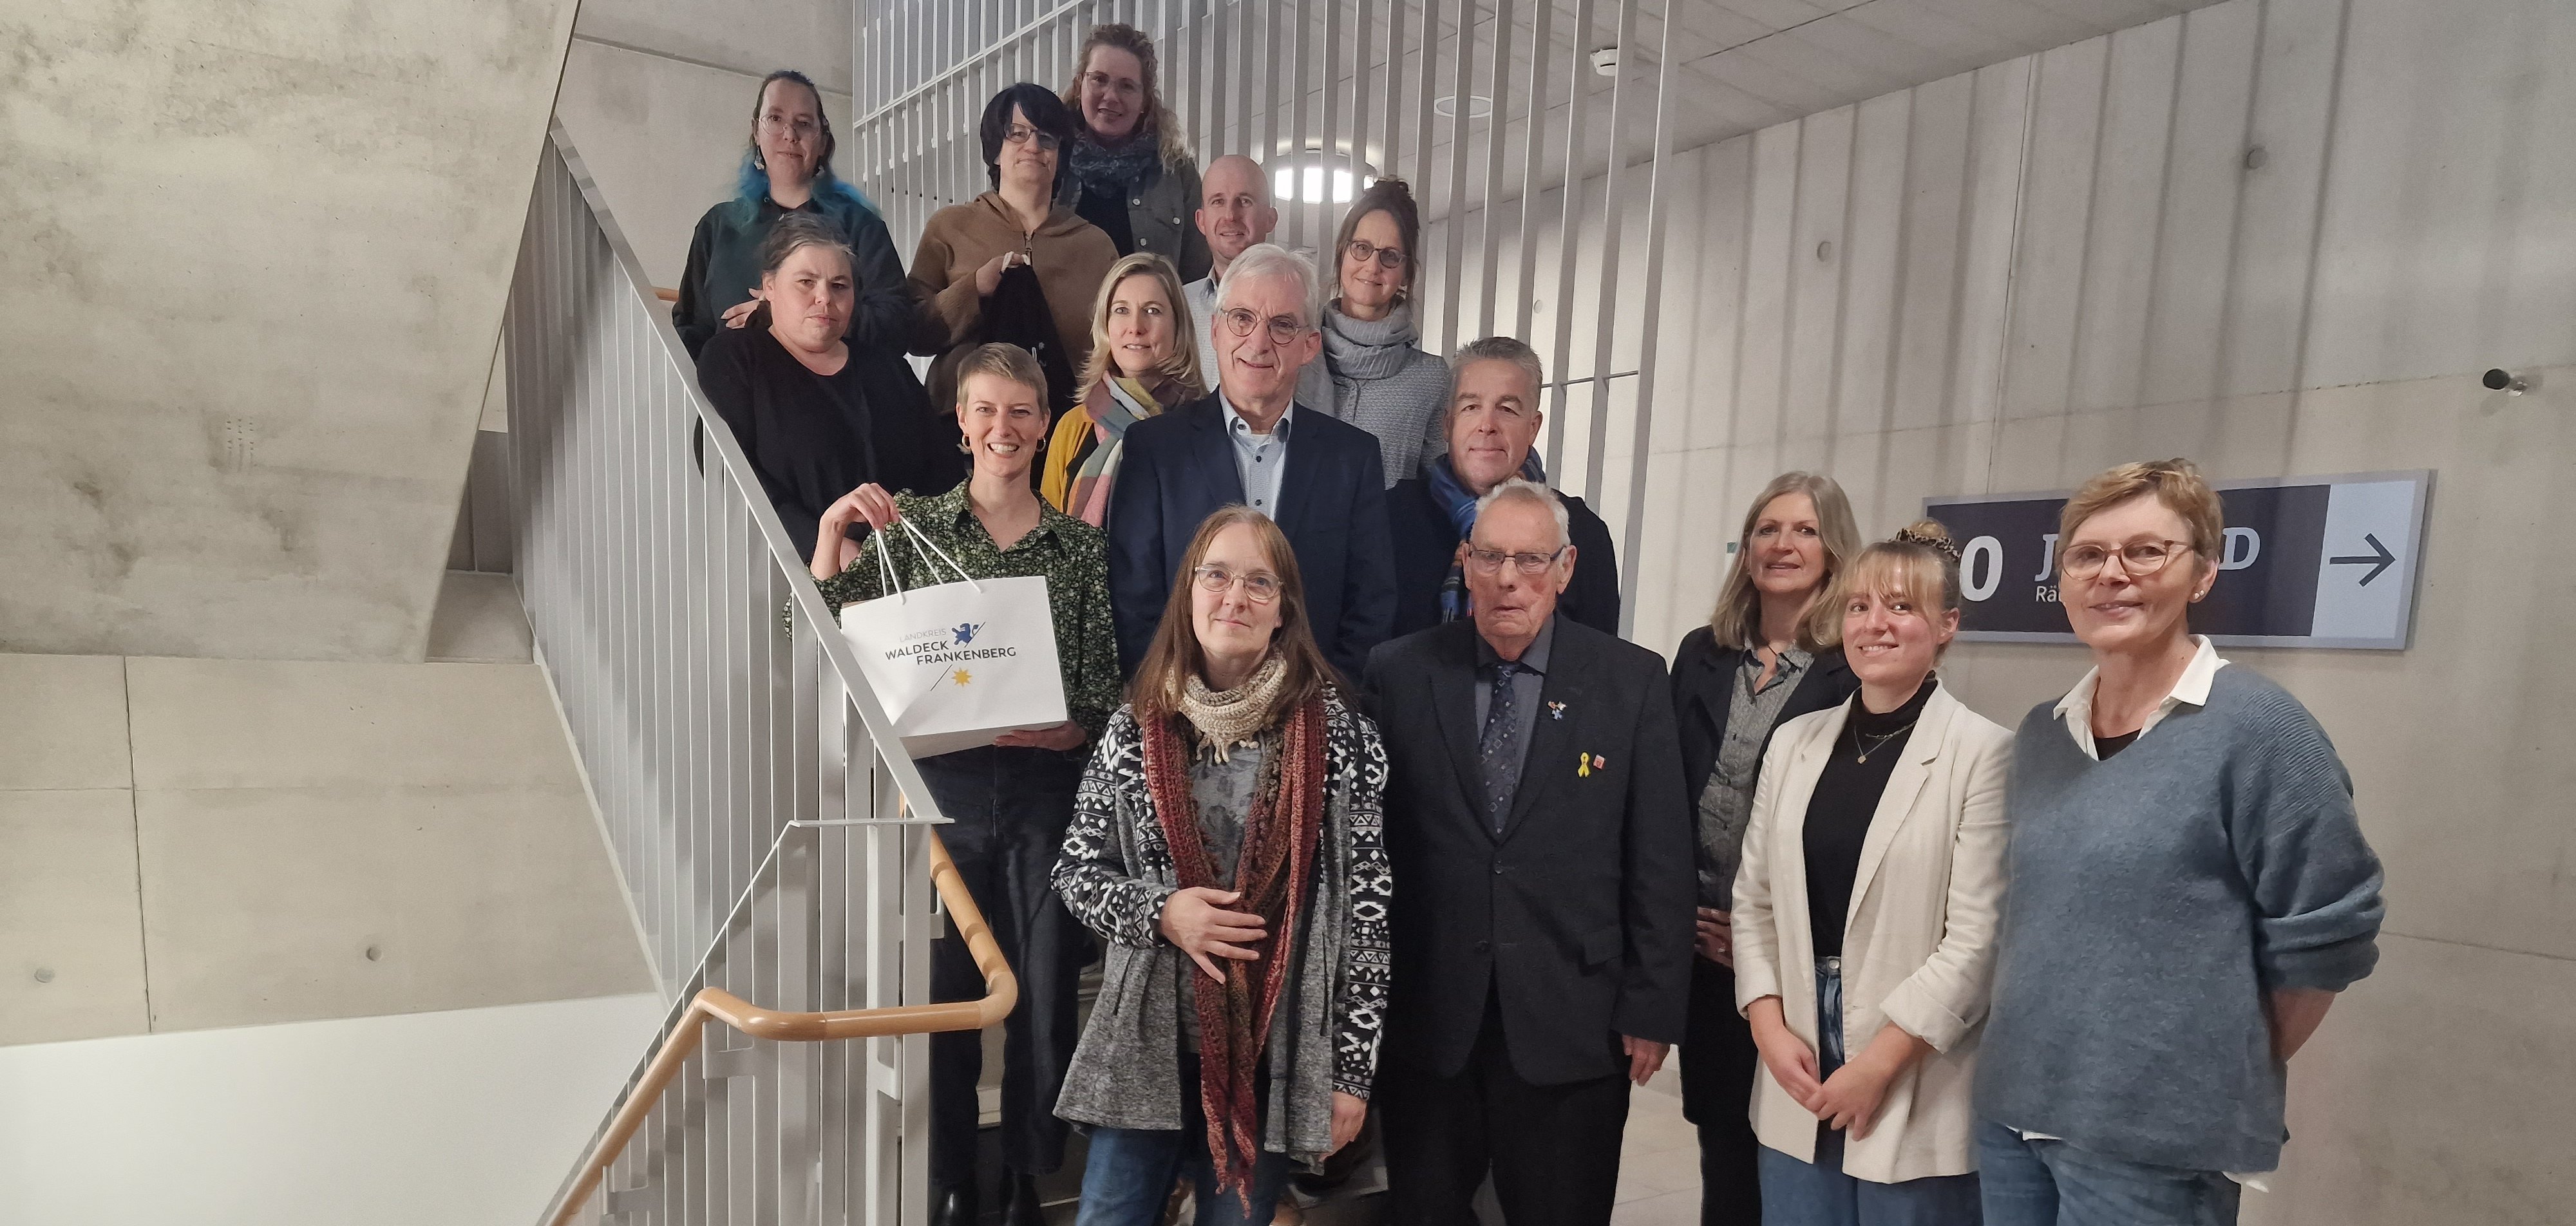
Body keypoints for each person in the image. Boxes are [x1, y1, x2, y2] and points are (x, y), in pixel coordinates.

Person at [1975, 460, 2385, 1226]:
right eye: (2088, 555)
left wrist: (2199, 1076)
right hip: (2013, 1113)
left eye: (2146, 551)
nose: (2112, 575)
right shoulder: (2042, 732)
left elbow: (2330, 937)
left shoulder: (2260, 730)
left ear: (2201, 573)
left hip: (2152, 1147)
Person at [804, 343, 1119, 1226]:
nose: (1003, 429)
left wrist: (1064, 725)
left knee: (1046, 993)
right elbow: (825, 636)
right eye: (986, 409)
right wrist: (832, 537)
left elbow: (1099, 690)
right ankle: (948, 1177)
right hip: (936, 791)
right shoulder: (910, 530)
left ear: (1044, 422)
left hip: (1040, 791)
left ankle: (1025, 1173)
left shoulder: (1078, 549)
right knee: (944, 1003)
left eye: (1022, 411)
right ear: (960, 421)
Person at [1364, 480, 1696, 1226]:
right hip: (1431, 1017)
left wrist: (1651, 1003)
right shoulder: (1400, 671)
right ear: (1464, 562)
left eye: (1529, 559)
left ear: (1566, 567)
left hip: (1573, 1016)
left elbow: (1660, 857)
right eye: (1490, 556)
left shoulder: (1631, 680)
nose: (1508, 578)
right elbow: (1373, 852)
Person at [1052, 506, 1392, 1226]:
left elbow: (1366, 915)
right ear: (1189, 593)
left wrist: (1351, 1073)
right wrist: (1163, 912)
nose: (1233, 597)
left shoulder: (1342, 741)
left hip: (1270, 1051)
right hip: (1145, 1041)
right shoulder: (1132, 725)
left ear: (1283, 610)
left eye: (1258, 582)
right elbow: (1077, 872)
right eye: (1216, 575)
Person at [1730, 522, 2011, 1225]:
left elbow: (1976, 938)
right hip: (1794, 1046)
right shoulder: (1794, 742)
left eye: (1900, 606)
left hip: (1909, 1055)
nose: (1874, 624)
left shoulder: (1984, 753)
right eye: (1858, 606)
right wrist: (1766, 1021)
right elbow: (1753, 899)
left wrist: (1876, 1064)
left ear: (1946, 625)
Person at [1671, 473, 1864, 1226]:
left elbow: (1850, 829)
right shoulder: (1702, 653)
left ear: (1833, 549)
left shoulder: (1853, 666)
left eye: (1805, 530)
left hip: (1795, 961)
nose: (1783, 544)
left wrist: (1762, 940)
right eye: (1768, 528)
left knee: (1794, 1154)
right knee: (1722, 1146)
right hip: (1698, 950)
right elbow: (1663, 790)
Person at [1106, 243, 1397, 683]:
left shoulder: (1351, 458)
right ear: (1216, 330)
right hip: (1185, 718)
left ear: (1309, 345)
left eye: (1282, 325)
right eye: (1242, 319)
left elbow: (1371, 605)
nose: (1258, 343)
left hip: (1314, 716)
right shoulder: (1155, 450)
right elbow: (1133, 601)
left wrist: (1322, 705)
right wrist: (1182, 705)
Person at [696, 214, 957, 556]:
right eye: (806, 282)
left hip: (907, 574)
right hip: (788, 569)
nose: (824, 298)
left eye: (839, 286)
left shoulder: (891, 370)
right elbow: (729, 472)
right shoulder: (735, 357)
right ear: (769, 287)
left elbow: (943, 478)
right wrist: (824, 546)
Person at [909, 83, 1121, 414]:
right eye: (1017, 133)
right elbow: (912, 331)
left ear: (1060, 156)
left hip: (1065, 430)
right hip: (959, 432)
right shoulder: (950, 226)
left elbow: (1116, 348)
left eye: (1046, 138)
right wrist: (974, 288)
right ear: (996, 149)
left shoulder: (1094, 245)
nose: (1033, 146)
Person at [1386, 336, 1617, 637]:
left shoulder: (1582, 531)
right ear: (1447, 424)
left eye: (1507, 410)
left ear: (1533, 428)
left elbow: (1597, 663)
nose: (1487, 425)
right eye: (1471, 406)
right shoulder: (1387, 519)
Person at [674, 70, 913, 359]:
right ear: (756, 131)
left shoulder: (860, 226)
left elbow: (897, 326)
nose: (790, 135)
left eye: (804, 123)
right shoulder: (718, 226)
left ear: (822, 140)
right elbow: (690, 330)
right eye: (775, 119)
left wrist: (786, 315)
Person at [1040, 252, 1206, 525]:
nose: (1136, 328)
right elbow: (1050, 540)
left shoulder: (1208, 426)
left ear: (1178, 325)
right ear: (1105, 325)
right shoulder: (1073, 428)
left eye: (1152, 311)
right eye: (1121, 310)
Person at [1307, 178, 1451, 487]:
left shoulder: (1430, 378)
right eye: (1362, 248)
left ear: (1406, 273)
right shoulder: (1298, 352)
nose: (1373, 267)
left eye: (1389, 256)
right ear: (1341, 254)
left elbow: (1443, 487)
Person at [1057, 24, 1209, 280]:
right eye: (1099, 79)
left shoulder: (1177, 172)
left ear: (1145, 101)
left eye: (1127, 86)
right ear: (1079, 84)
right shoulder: (1049, 161)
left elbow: (1197, 279)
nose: (1111, 96)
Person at [1182, 155, 1278, 381]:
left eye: (1244, 201)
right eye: (1218, 201)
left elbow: (1314, 406)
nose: (1230, 216)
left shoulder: (1298, 308)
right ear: (1201, 221)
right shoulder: (1178, 306)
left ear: (1270, 219)